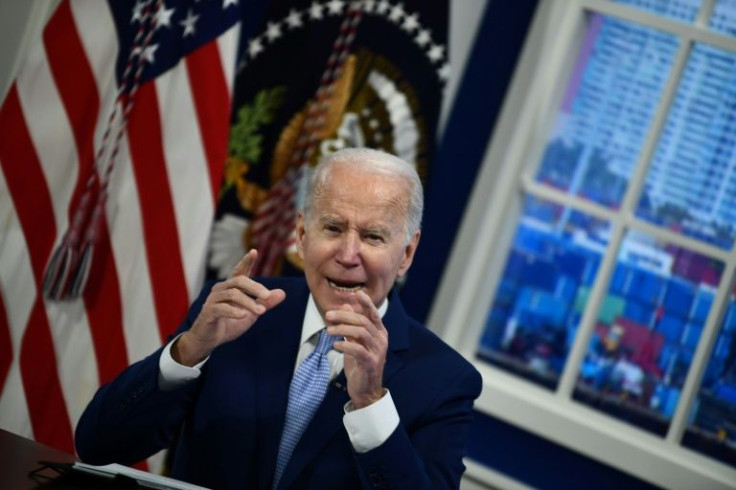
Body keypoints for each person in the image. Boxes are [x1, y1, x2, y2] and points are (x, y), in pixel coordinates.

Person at [75, 148, 482, 489]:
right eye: (333, 228)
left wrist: (370, 402)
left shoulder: (445, 381)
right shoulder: (233, 311)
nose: (348, 254)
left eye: (373, 237)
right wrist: (187, 351)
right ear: (302, 235)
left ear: (406, 254)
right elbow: (97, 445)